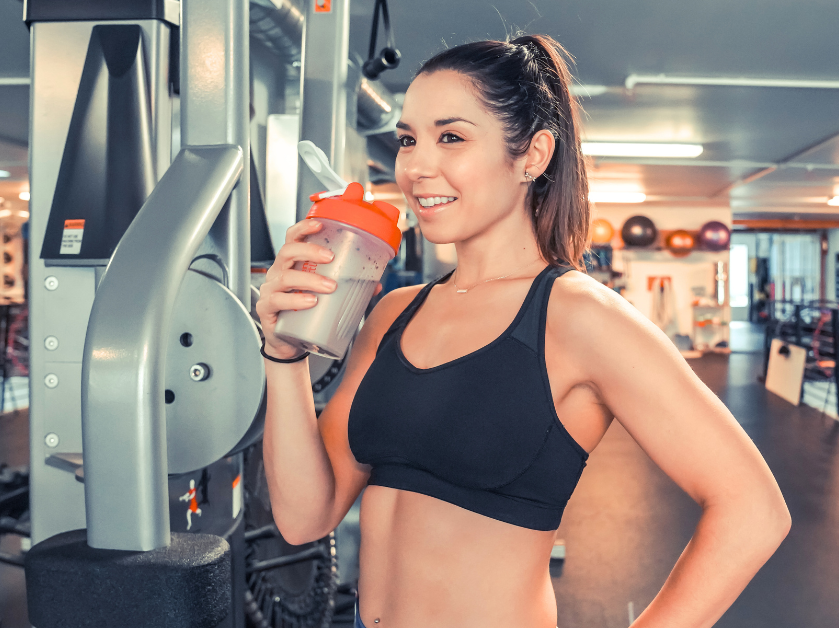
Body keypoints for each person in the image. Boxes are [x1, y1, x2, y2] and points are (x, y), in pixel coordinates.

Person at [256, 34, 790, 628]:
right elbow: (306, 517)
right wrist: (283, 357)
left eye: (451, 137)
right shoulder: (392, 313)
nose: (416, 166)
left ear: (532, 156)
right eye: (408, 139)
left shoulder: (579, 317)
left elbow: (754, 511)